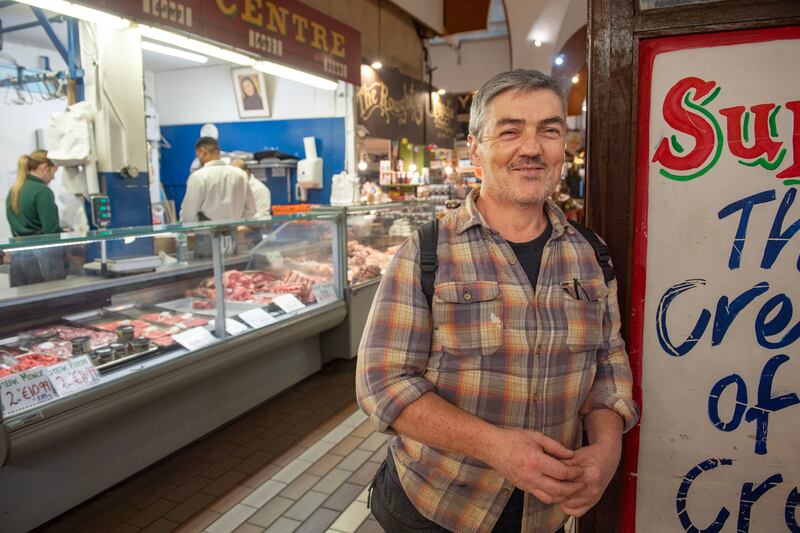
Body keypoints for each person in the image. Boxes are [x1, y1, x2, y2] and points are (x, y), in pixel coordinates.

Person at [356, 70, 639, 533]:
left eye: (549, 130)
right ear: (475, 150)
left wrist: (607, 448)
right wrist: (494, 446)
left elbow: (608, 363)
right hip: (437, 506)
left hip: (547, 512)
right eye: (510, 131)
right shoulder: (427, 252)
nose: (531, 147)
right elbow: (381, 384)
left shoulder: (592, 254)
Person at [5, 150, 67, 286]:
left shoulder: (14, 190)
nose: (53, 178)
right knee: (51, 296)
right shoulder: (42, 191)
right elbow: (51, 231)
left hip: (19, 255)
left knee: (28, 298)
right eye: (53, 172)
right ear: (44, 168)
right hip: (44, 256)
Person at [180, 137, 256, 223]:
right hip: (233, 232)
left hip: (207, 233)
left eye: (197, 155)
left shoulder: (198, 177)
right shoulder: (241, 175)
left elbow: (188, 215)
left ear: (202, 152)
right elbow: (251, 209)